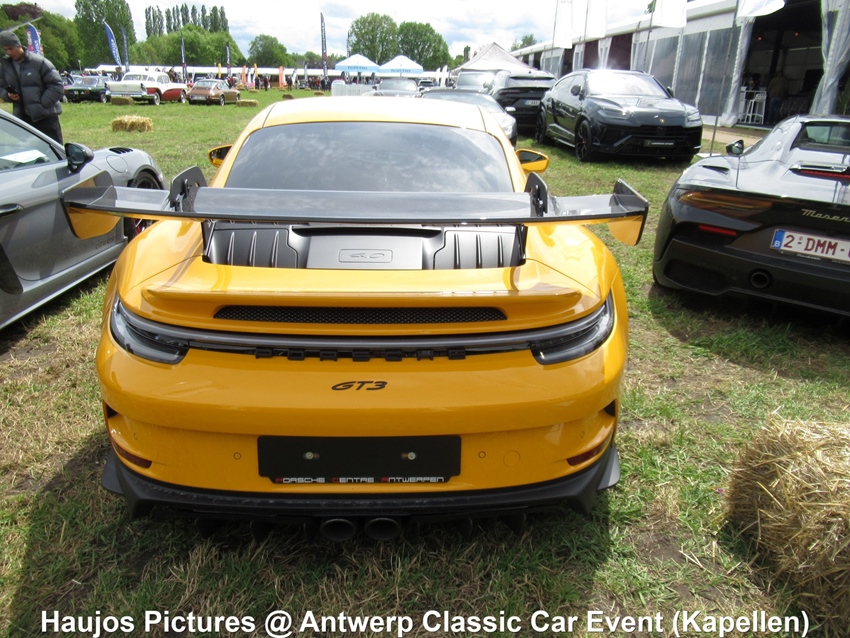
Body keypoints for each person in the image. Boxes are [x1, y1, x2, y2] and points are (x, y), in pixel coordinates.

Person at [0, 29, 64, 144]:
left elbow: (57, 85)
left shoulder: (39, 62)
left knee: (55, 152)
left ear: (18, 45)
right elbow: (1, 87)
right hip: (23, 119)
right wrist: (8, 95)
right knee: (31, 153)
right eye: (5, 50)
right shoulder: (5, 66)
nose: (9, 52)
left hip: (46, 119)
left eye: (11, 48)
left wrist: (42, 104)